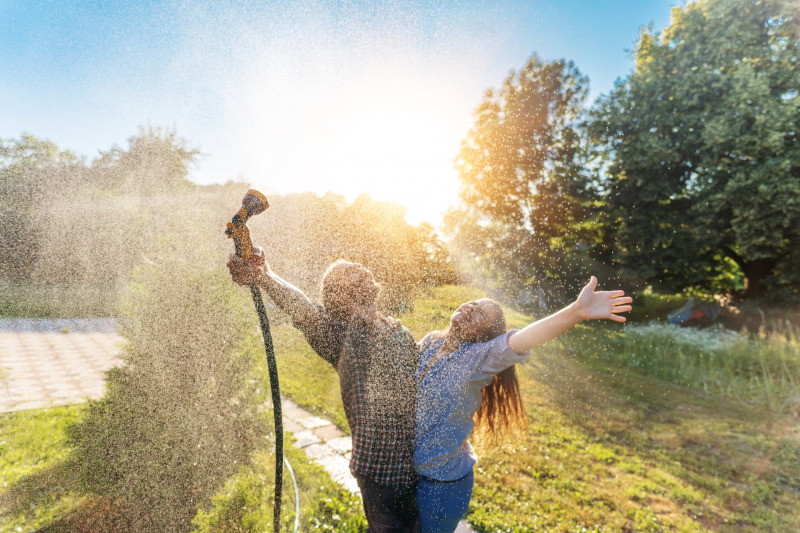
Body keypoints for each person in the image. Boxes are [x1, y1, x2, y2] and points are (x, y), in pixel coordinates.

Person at [414, 276, 632, 532]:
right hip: (412, 471)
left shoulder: (480, 357)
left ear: (486, 335)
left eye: (482, 312)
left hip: (444, 484)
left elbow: (524, 338)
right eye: (472, 302)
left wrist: (576, 312)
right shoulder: (430, 341)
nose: (471, 307)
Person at [228, 249, 420, 533]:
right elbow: (305, 310)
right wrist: (265, 276)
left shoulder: (398, 331)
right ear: (340, 295)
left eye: (359, 265)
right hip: (381, 474)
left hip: (420, 466)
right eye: (351, 272)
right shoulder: (340, 337)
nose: (362, 269)